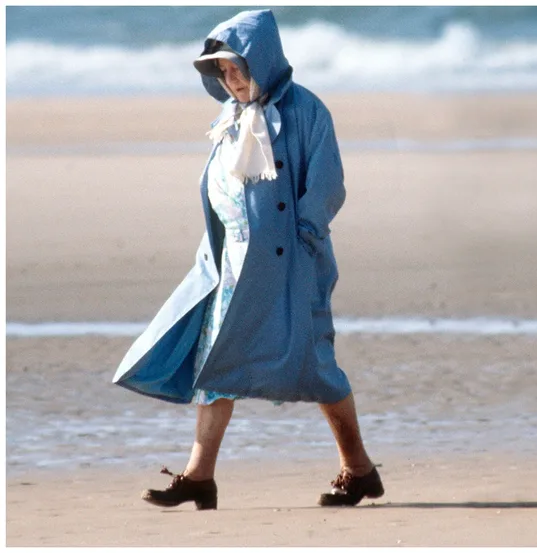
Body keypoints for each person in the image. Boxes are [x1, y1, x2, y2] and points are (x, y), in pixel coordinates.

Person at [111, 9, 383, 509]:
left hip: (291, 265)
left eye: (238, 67)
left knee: (316, 367)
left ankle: (359, 469)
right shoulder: (230, 117)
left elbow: (327, 184)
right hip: (231, 266)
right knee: (217, 361)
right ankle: (199, 476)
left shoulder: (306, 111)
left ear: (263, 61)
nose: (232, 79)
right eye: (223, 71)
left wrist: (304, 236)